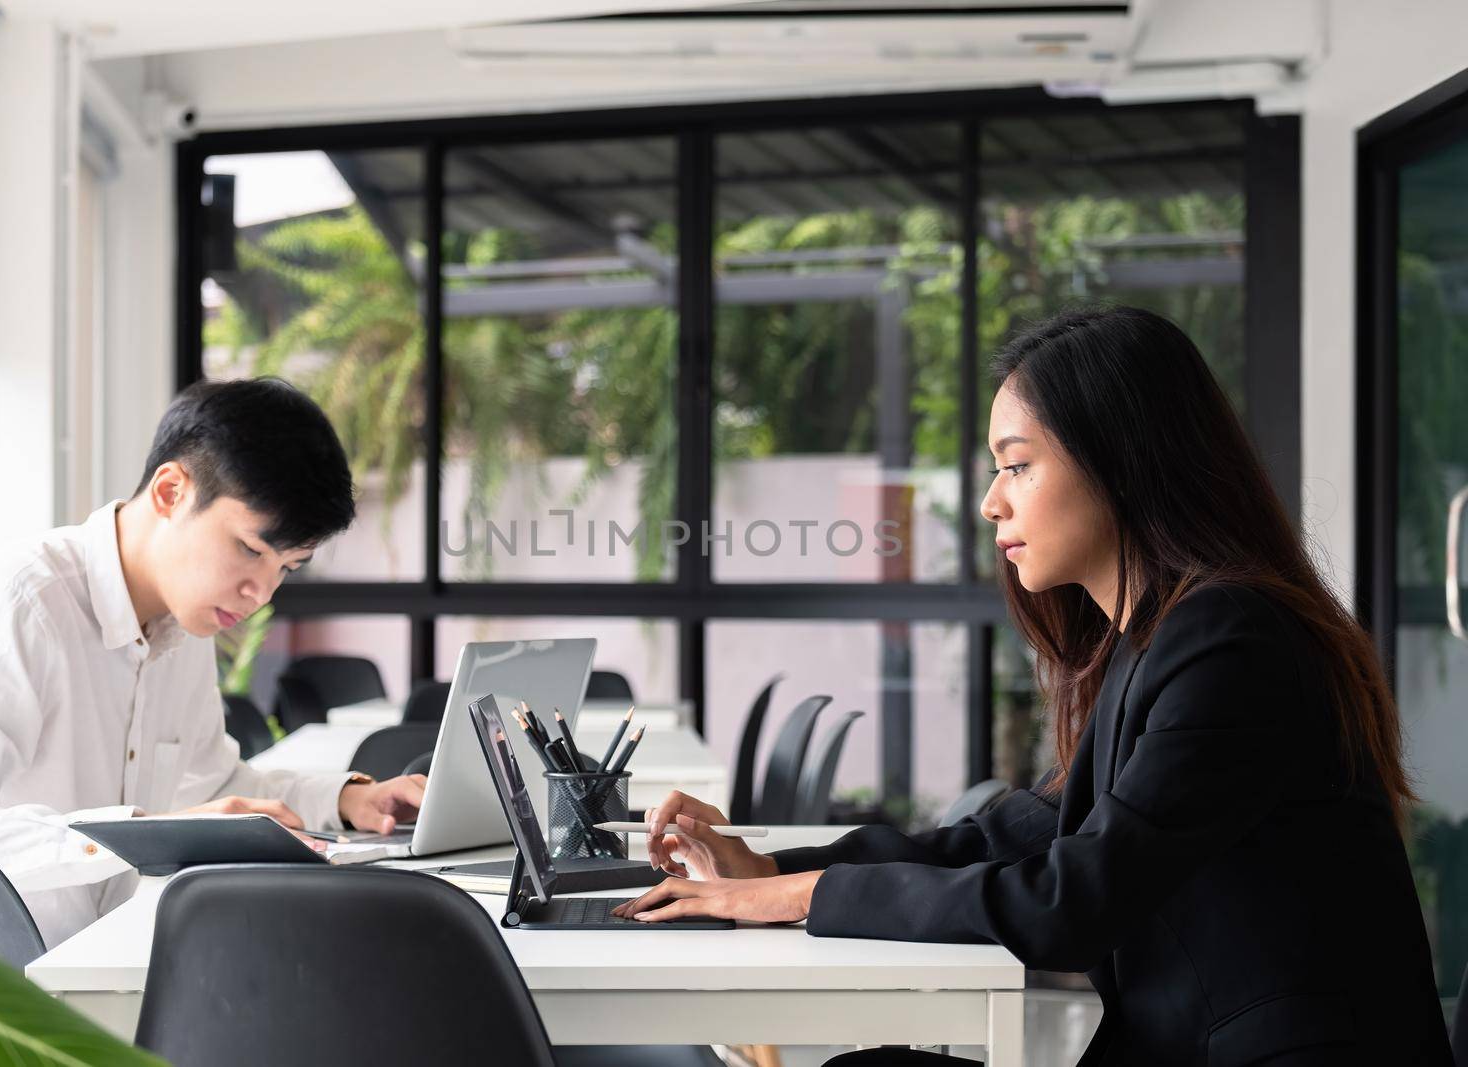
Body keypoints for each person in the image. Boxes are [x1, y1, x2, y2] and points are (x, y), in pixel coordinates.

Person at [617, 306, 1451, 1065]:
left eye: (1016, 466)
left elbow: (1071, 900)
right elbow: (1015, 836)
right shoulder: (1159, 638)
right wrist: (767, 869)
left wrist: (790, 896)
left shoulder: (1230, 640)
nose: (989, 503)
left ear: (1122, 464)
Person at [0, 378, 425, 948]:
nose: (261, 592)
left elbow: (215, 780)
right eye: (251, 550)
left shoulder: (185, 622)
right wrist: (130, 838)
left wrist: (346, 800)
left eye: (287, 567)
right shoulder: (14, 604)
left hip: (108, 965)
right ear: (170, 491)